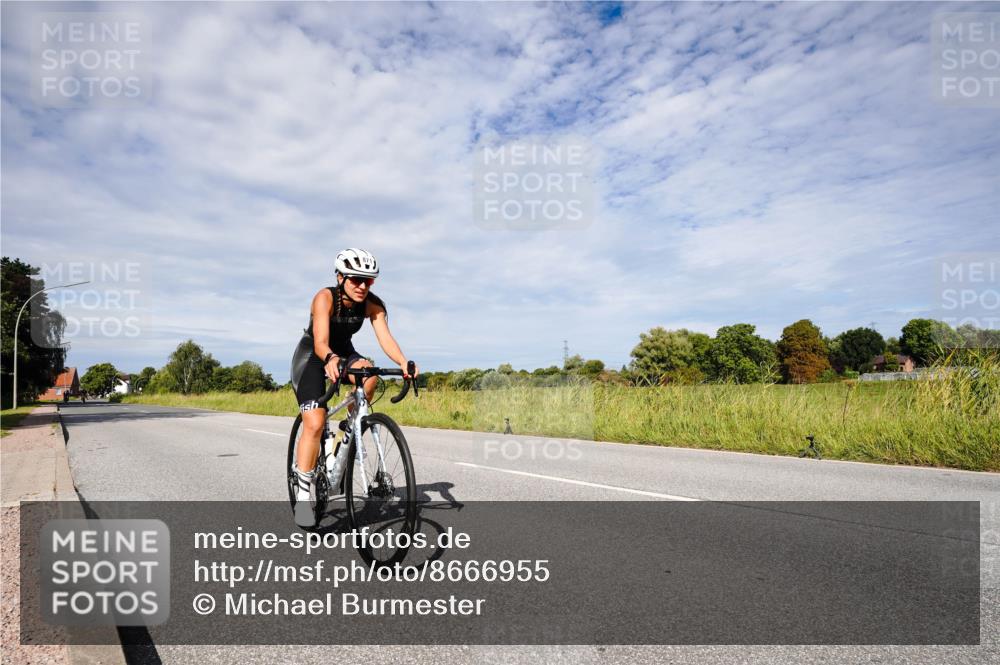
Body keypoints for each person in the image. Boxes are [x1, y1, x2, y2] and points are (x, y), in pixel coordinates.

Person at [289, 248, 417, 528]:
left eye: (368, 281)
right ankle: (303, 495)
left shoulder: (373, 304)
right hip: (313, 356)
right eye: (356, 279)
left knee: (369, 375)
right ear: (340, 277)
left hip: (344, 353)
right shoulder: (325, 298)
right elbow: (321, 342)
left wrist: (403, 362)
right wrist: (329, 359)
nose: (362, 286)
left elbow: (385, 338)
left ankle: (347, 432)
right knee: (315, 422)